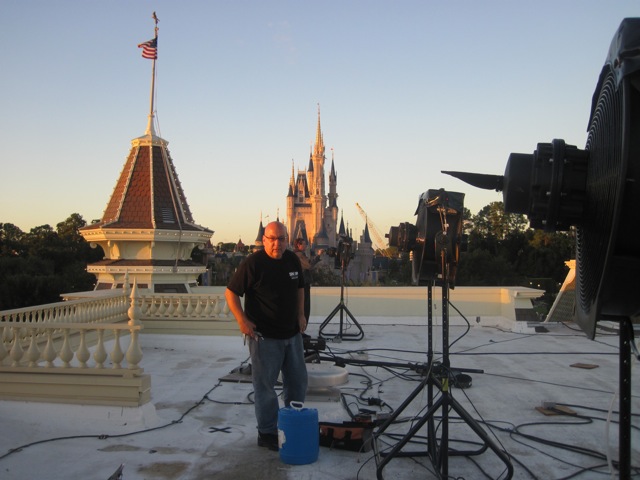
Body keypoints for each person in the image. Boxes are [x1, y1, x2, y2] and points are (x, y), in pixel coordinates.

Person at [225, 221, 308, 452]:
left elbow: (300, 287)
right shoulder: (253, 263)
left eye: (281, 239)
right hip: (265, 338)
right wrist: (242, 321)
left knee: (297, 382)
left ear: (287, 240)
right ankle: (268, 432)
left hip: (292, 335)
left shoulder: (292, 260)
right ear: (264, 240)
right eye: (272, 239)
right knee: (265, 388)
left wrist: (301, 315)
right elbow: (231, 293)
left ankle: (292, 422)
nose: (277, 244)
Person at [293, 238, 321, 328]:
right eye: (304, 244)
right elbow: (309, 266)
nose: (305, 246)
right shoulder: (299, 255)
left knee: (303, 307)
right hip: (303, 284)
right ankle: (301, 330)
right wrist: (318, 256)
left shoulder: (298, 255)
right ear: (298, 245)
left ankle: (301, 330)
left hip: (302, 283)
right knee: (305, 308)